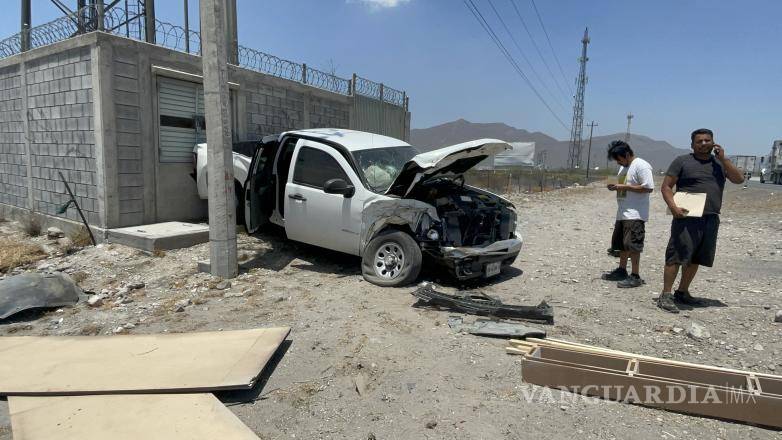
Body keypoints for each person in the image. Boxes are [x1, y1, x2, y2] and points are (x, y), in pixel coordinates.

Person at [656, 128, 744, 313]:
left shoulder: (720, 164)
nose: (704, 144)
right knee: (676, 256)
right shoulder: (682, 161)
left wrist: (724, 159)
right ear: (692, 145)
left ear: (713, 142)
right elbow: (666, 187)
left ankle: (682, 292)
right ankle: (665, 295)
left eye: (707, 140)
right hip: (686, 217)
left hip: (711, 217)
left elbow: (738, 179)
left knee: (696, 257)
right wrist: (673, 207)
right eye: (700, 141)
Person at [601, 140, 654, 288]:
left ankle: (635, 275)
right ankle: (622, 270)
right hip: (623, 212)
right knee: (622, 244)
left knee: (633, 245)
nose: (618, 163)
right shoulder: (624, 168)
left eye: (619, 159)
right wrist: (617, 187)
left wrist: (623, 186)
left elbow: (648, 187)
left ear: (626, 154)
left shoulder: (641, 165)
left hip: (635, 213)